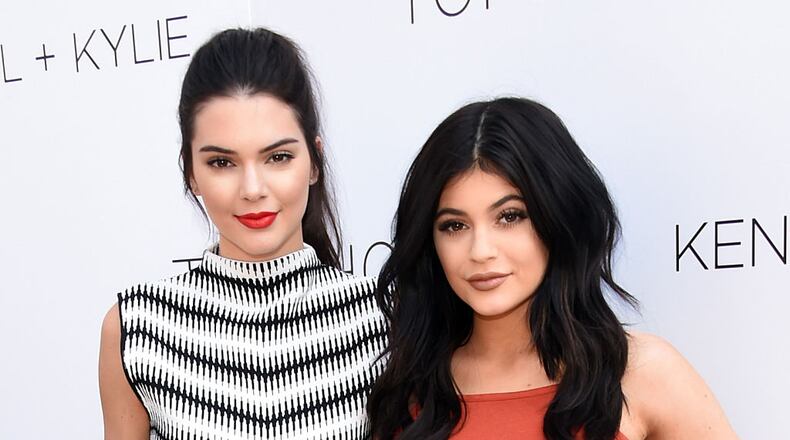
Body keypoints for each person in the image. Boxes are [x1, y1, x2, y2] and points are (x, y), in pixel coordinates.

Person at [366, 97, 737, 439]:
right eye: (454, 225)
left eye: (510, 217)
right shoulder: (411, 391)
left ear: (557, 216)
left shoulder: (643, 372)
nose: (480, 250)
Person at [98, 28, 387, 439]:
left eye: (278, 157)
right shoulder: (136, 328)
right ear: (191, 173)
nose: (253, 189)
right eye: (222, 163)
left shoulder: (381, 319)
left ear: (315, 161)